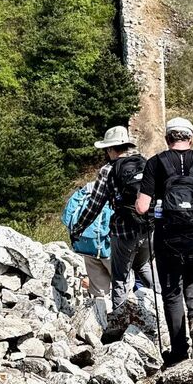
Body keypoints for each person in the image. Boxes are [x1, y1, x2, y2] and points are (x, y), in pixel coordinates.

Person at [135, 117, 193, 364]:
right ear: (191, 139)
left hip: (167, 238)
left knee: (171, 292)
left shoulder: (156, 163)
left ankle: (178, 350)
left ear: (168, 139)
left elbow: (142, 207)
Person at [69, 126, 153, 310]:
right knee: (144, 266)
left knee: (120, 277)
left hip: (124, 231)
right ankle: (160, 305)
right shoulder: (144, 163)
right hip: (148, 228)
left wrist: (78, 229)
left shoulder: (108, 170)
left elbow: (94, 206)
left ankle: (120, 322)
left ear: (109, 149)